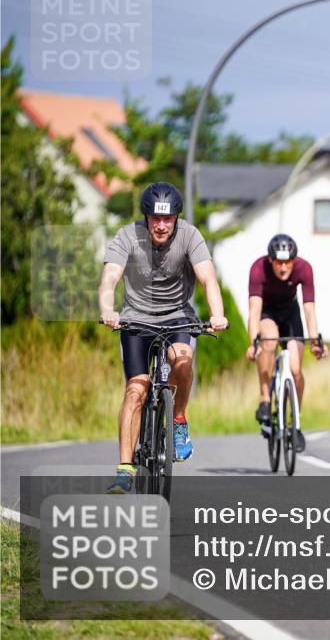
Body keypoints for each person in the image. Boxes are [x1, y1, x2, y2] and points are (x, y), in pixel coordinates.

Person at [99, 182, 229, 494]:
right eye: (155, 219)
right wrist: (108, 309)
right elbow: (110, 278)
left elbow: (208, 278)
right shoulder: (127, 235)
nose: (161, 225)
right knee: (135, 390)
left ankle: (179, 418)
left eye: (167, 219)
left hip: (178, 316)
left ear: (176, 218)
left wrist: (217, 314)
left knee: (182, 361)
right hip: (135, 318)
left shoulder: (189, 235)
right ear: (145, 217)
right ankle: (125, 469)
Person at [246, 234, 328, 452]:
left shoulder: (304, 269)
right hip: (267, 312)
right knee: (269, 343)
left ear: (294, 260)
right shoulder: (258, 269)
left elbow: (309, 309)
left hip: (291, 314)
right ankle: (265, 397)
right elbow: (254, 311)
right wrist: (253, 343)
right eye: (279, 262)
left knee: (296, 369)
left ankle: (295, 422)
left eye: (288, 262)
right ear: (271, 259)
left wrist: (315, 341)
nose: (283, 268)